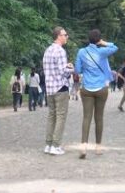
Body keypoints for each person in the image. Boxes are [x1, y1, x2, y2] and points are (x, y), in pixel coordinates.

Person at [73, 29, 117, 159]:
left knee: (86, 117)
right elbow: (115, 47)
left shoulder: (81, 52)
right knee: (99, 118)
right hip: (101, 88)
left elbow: (78, 70)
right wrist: (104, 42)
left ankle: (83, 147)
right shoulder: (102, 52)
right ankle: (98, 147)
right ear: (98, 40)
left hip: (86, 88)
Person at [41, 26, 74, 155]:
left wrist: (66, 66)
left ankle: (48, 145)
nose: (67, 37)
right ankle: (56, 145)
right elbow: (63, 72)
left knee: (51, 116)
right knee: (61, 116)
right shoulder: (60, 51)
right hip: (60, 87)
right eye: (65, 35)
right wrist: (73, 69)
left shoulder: (48, 50)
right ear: (59, 36)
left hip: (49, 88)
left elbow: (52, 69)